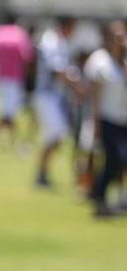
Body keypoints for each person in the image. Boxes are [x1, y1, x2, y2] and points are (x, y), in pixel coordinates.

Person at [84, 20, 127, 217]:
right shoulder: (100, 61)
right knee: (116, 158)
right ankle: (98, 195)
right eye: (116, 37)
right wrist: (95, 124)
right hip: (107, 117)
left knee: (120, 160)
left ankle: (105, 196)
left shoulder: (123, 62)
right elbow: (95, 97)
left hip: (123, 118)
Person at [33, 16, 81, 187]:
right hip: (47, 95)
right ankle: (40, 173)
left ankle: (41, 173)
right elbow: (56, 70)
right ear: (67, 26)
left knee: (54, 137)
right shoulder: (52, 41)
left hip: (54, 96)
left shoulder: (59, 41)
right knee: (56, 135)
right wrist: (77, 84)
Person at [0, 14, 34, 151]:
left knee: (7, 112)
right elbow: (27, 58)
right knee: (8, 112)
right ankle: (15, 143)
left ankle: (4, 141)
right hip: (15, 78)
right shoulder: (20, 34)